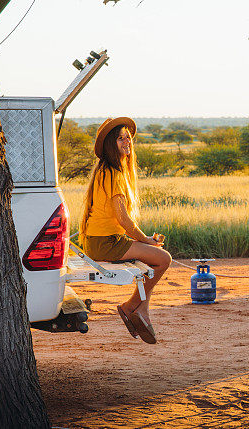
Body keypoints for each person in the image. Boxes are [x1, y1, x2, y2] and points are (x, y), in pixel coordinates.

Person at [80, 117, 172, 344]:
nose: (126, 142)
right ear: (111, 144)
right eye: (120, 139)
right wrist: (145, 240)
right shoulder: (113, 173)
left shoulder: (107, 171)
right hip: (105, 242)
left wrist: (142, 241)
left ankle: (143, 310)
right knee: (163, 259)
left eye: (128, 138)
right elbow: (123, 218)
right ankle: (131, 306)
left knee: (152, 261)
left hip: (101, 240)